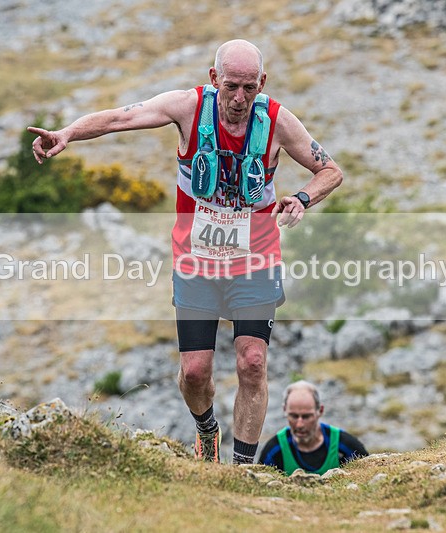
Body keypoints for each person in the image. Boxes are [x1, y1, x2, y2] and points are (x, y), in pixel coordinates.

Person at [28, 39, 343, 465]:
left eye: (249, 88)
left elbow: (330, 170)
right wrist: (67, 133)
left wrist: (302, 198)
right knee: (195, 372)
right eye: (231, 86)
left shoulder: (277, 121)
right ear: (214, 79)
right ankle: (207, 429)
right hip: (196, 261)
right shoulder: (188, 108)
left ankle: (241, 470)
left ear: (262, 82)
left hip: (255, 259)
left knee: (252, 362)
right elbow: (122, 117)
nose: (240, 98)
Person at [258, 380, 368, 474]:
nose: (300, 424)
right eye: (294, 416)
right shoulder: (275, 449)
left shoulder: (345, 445)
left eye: (306, 417)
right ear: (284, 410)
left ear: (320, 411)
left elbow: (368, 474)